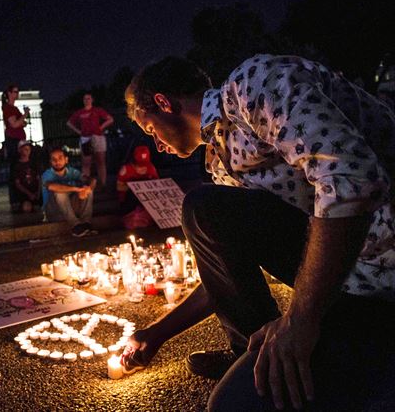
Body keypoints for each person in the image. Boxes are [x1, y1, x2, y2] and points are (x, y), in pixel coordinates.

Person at [121, 54, 395, 410]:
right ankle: (255, 353)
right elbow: (221, 275)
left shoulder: (254, 85)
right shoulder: (219, 162)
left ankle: (299, 349)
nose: (157, 145)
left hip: (383, 263)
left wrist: (299, 321)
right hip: (347, 276)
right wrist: (156, 333)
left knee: (202, 208)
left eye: (150, 130)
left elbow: (351, 179)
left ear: (163, 103)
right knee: (208, 211)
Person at [42, 147, 96, 237]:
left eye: (60, 158)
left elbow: (92, 180)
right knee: (59, 193)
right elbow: (52, 186)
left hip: (70, 209)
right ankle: (75, 225)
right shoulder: (47, 174)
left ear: (66, 160)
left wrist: (88, 189)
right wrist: (76, 189)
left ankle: (86, 223)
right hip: (54, 212)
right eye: (54, 159)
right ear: (50, 162)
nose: (57, 161)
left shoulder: (72, 172)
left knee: (87, 189)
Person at [66, 92, 114, 188]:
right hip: (85, 138)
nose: (86, 100)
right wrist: (79, 131)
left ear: (92, 100)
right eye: (85, 99)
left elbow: (110, 119)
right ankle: (86, 185)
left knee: (101, 161)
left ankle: (102, 184)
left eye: (88, 98)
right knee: (86, 162)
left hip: (98, 137)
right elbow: (69, 123)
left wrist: (101, 127)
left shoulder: (98, 110)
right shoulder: (80, 112)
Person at [116, 145, 159, 228]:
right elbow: (119, 187)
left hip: (147, 200)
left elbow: (157, 185)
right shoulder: (126, 169)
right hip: (129, 202)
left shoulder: (151, 168)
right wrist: (134, 188)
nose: (142, 167)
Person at [2, 84, 30, 207]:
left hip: (18, 139)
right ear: (8, 93)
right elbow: (14, 125)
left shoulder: (13, 108)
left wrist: (22, 121)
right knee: (15, 169)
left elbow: (21, 123)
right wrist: (25, 114)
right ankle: (15, 198)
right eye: (14, 92)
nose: (16, 94)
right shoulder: (8, 108)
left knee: (20, 168)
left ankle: (20, 197)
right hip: (14, 140)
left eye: (18, 92)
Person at [11, 140, 42, 213]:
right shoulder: (16, 166)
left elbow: (39, 179)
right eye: (25, 149)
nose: (27, 151)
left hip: (35, 192)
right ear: (19, 150)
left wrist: (38, 192)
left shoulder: (34, 163)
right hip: (24, 193)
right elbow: (17, 184)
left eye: (28, 149)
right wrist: (29, 194)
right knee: (26, 208)